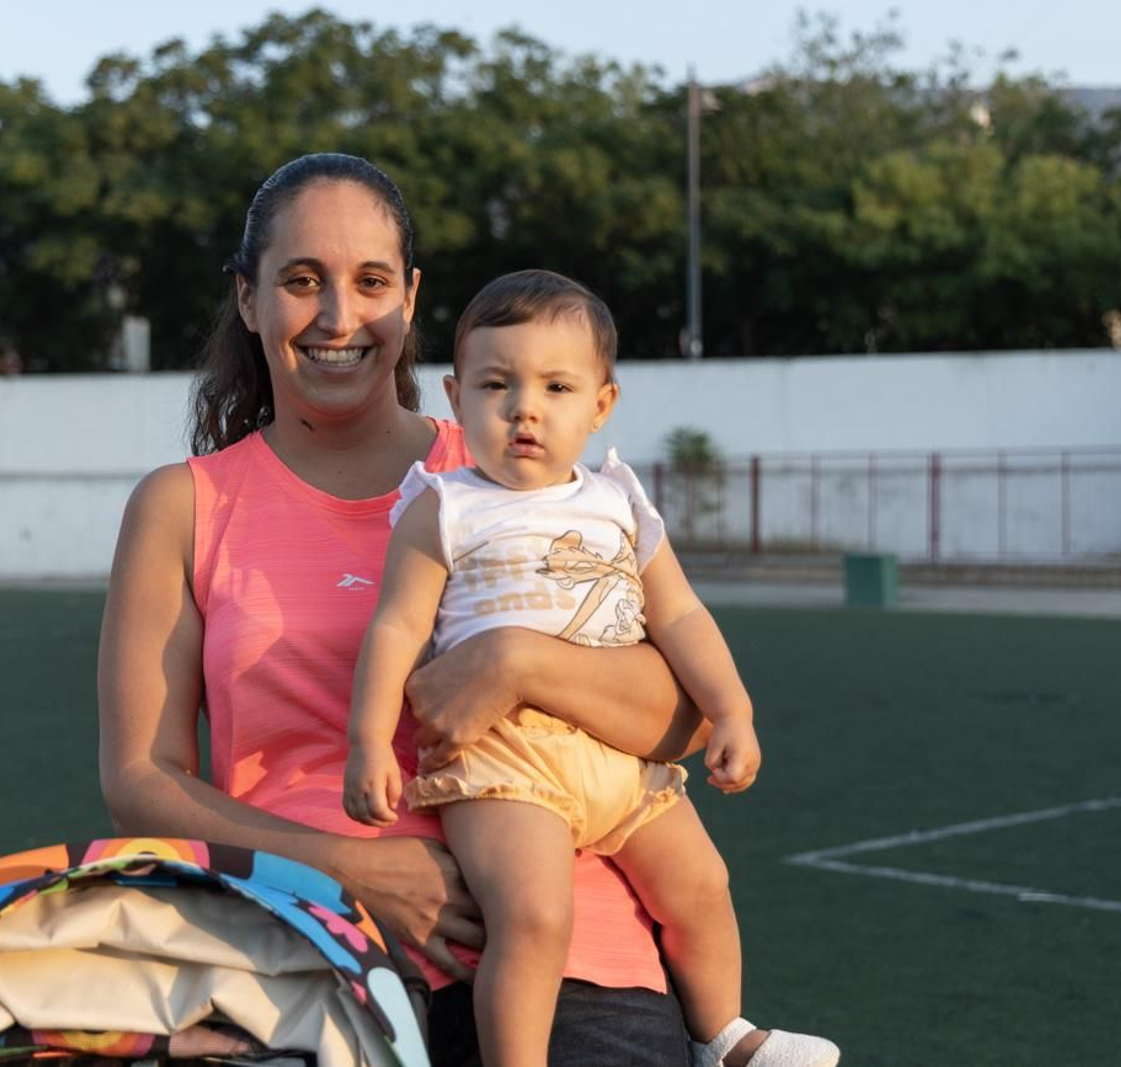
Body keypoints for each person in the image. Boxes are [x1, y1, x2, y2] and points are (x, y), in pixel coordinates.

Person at [97, 154, 715, 1066]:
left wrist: (517, 660)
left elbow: (685, 720)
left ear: (412, 296)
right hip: (308, 950)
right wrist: (344, 870)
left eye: (371, 281)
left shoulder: (529, 464)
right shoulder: (184, 506)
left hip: (575, 956)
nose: (340, 317)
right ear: (247, 298)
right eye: (301, 281)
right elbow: (140, 781)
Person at [343, 270, 839, 1067]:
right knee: (535, 919)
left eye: (557, 386)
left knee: (702, 885)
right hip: (506, 763)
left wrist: (734, 709)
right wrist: (369, 741)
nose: (524, 408)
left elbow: (679, 615)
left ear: (601, 404)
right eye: (496, 384)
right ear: (456, 394)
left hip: (618, 755)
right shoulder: (445, 506)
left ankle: (723, 1035)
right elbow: (396, 625)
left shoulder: (619, 502)